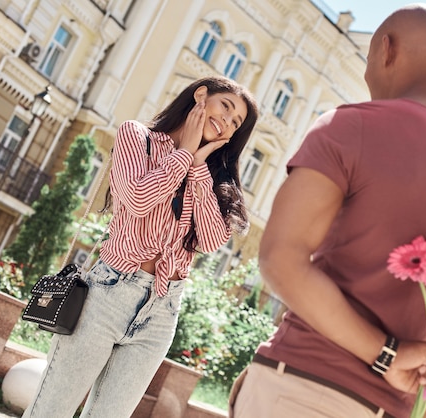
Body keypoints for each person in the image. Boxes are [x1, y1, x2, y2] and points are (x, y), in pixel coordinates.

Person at [229, 4, 426, 418]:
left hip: (300, 385)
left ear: (385, 49)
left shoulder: (351, 126)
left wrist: (387, 356)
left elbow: (280, 258)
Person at [23, 76, 259, 418]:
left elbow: (210, 239)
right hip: (108, 294)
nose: (227, 122)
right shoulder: (138, 136)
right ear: (201, 96)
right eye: (226, 107)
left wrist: (196, 168)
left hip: (163, 311)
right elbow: (136, 200)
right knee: (51, 410)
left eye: (236, 122)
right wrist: (182, 156)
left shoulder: (208, 175)